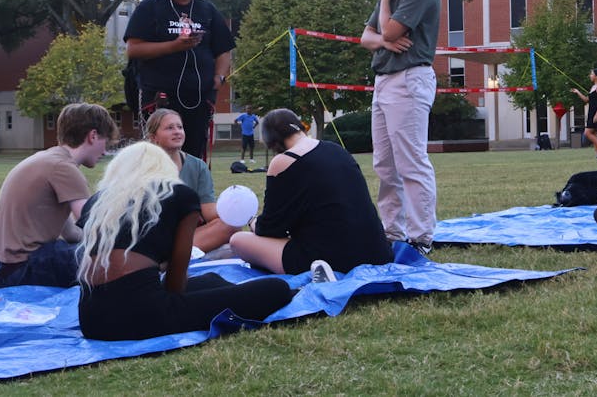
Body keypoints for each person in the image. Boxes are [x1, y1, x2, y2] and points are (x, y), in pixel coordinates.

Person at [76, 142, 292, 341]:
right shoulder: (180, 196)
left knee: (208, 280)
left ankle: (227, 292)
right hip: (140, 316)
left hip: (91, 319)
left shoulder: (97, 203)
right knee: (276, 289)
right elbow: (175, 281)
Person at [229, 109, 395, 277]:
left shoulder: (283, 161)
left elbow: (271, 228)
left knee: (238, 241)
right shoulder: (337, 150)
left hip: (333, 260)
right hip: (378, 252)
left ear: (272, 143)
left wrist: (253, 222)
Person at [358, 0, 441, 255]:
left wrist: (386, 4)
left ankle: (421, 237)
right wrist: (384, 37)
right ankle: (392, 232)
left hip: (409, 80)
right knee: (385, 164)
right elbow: (368, 38)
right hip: (385, 80)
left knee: (411, 162)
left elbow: (391, 32)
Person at [0, 103, 117, 288]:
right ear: (93, 136)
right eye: (106, 142)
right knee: (116, 260)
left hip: (4, 268)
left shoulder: (48, 159)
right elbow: (93, 227)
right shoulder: (64, 168)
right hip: (22, 268)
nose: (105, 151)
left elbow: (70, 233)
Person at [124, 0, 234, 161]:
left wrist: (218, 78)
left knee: (194, 153)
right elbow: (133, 49)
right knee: (160, 153)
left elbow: (224, 50)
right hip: (160, 95)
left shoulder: (206, 9)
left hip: (199, 97)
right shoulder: (150, 8)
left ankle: (192, 191)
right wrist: (174, 46)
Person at [146, 109, 238, 253]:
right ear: (153, 137)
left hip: (187, 236)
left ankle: (170, 257)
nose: (177, 132)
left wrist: (234, 212)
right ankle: (173, 256)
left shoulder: (198, 166)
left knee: (232, 224)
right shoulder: (141, 165)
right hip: (151, 234)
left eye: (180, 127)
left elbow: (208, 211)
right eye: (170, 128)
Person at [570, 68, 597, 159]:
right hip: (591, 112)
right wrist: (578, 92)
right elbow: (586, 100)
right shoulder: (593, 87)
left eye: (591, 74)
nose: (590, 76)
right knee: (594, 133)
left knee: (587, 132)